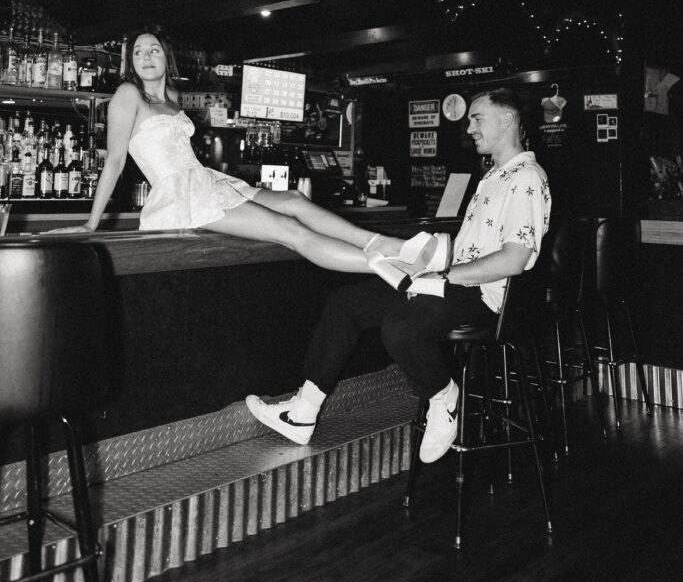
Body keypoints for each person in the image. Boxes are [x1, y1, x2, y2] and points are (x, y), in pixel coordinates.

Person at [246, 87, 551, 465]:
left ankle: (445, 398)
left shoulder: (527, 178)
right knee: (347, 303)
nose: (469, 127)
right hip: (455, 282)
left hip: (487, 297)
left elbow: (513, 260)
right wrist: (420, 261)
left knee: (400, 327)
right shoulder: (494, 175)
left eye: (477, 118)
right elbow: (475, 246)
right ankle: (303, 413)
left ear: (507, 120)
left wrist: (443, 275)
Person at [46, 30, 451, 291]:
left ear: (166, 59)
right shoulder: (126, 96)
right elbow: (115, 161)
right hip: (182, 195)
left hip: (205, 181)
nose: (146, 56)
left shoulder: (169, 100)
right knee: (290, 229)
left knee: (293, 200)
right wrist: (90, 222)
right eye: (138, 51)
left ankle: (398, 247)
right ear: (129, 61)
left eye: (154, 50)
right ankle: (399, 273)